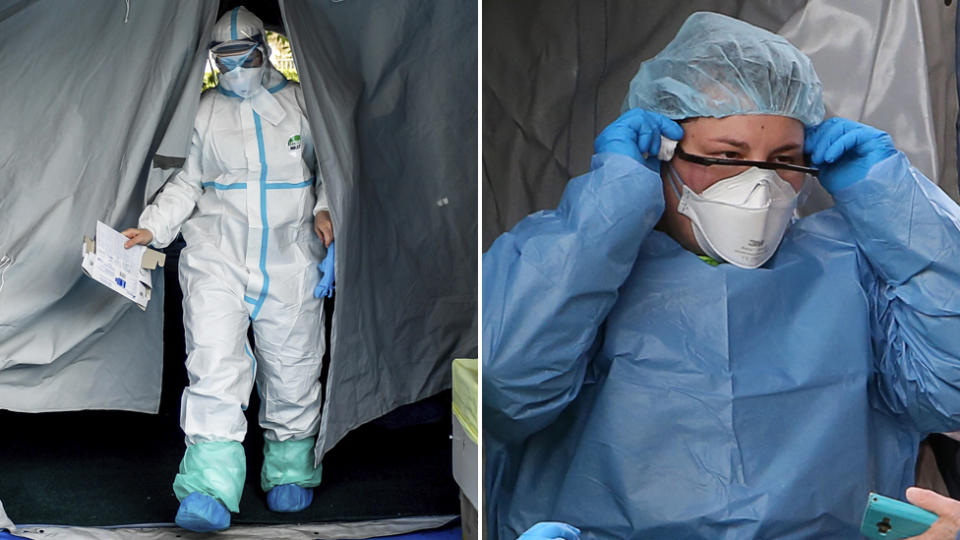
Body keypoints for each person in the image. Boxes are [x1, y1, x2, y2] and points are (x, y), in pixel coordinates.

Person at [483, 11, 960, 539]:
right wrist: (609, 209)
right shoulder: (576, 259)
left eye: (784, 159)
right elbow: (506, 390)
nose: (759, 186)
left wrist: (893, 200)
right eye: (725, 157)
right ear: (659, 154)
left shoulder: (849, 267)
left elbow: (949, 390)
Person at [123, 6, 332, 532]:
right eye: (226, 59)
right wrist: (151, 228)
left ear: (265, 52)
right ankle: (209, 487)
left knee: (294, 362)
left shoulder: (304, 104)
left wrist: (328, 208)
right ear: (213, 61)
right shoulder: (203, 112)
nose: (237, 68)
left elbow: (334, 167)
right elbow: (188, 182)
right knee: (214, 366)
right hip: (218, 256)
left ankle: (289, 466)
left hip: (292, 256)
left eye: (246, 57)